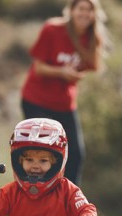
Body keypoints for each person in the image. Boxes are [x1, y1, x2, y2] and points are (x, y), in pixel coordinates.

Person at [21, 0, 109, 186]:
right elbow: (38, 68)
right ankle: (33, 197)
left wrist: (76, 74)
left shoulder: (92, 37)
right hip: (37, 100)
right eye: (81, 9)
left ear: (94, 14)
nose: (84, 14)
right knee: (42, 152)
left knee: (76, 154)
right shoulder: (53, 29)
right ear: (71, 10)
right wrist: (63, 72)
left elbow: (93, 66)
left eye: (89, 10)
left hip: (64, 104)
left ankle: (66, 201)